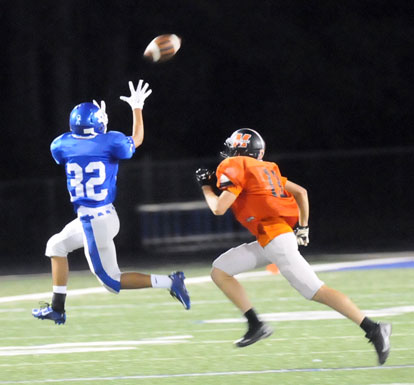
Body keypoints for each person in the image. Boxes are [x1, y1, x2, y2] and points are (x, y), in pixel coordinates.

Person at [195, 128, 391, 365]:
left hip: (277, 241)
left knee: (316, 291)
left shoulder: (236, 165)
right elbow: (301, 192)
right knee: (220, 270)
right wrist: (303, 227)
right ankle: (256, 324)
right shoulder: (266, 169)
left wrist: (206, 186)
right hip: (271, 239)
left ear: (240, 150)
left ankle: (374, 328)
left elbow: (218, 208)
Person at [32, 79, 190, 325]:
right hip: (101, 217)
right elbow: (135, 139)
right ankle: (57, 308)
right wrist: (136, 108)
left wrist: (98, 126)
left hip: (94, 222)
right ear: (99, 125)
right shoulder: (110, 141)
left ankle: (171, 282)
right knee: (56, 246)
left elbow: (86, 144)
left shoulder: (61, 144)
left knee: (111, 281)